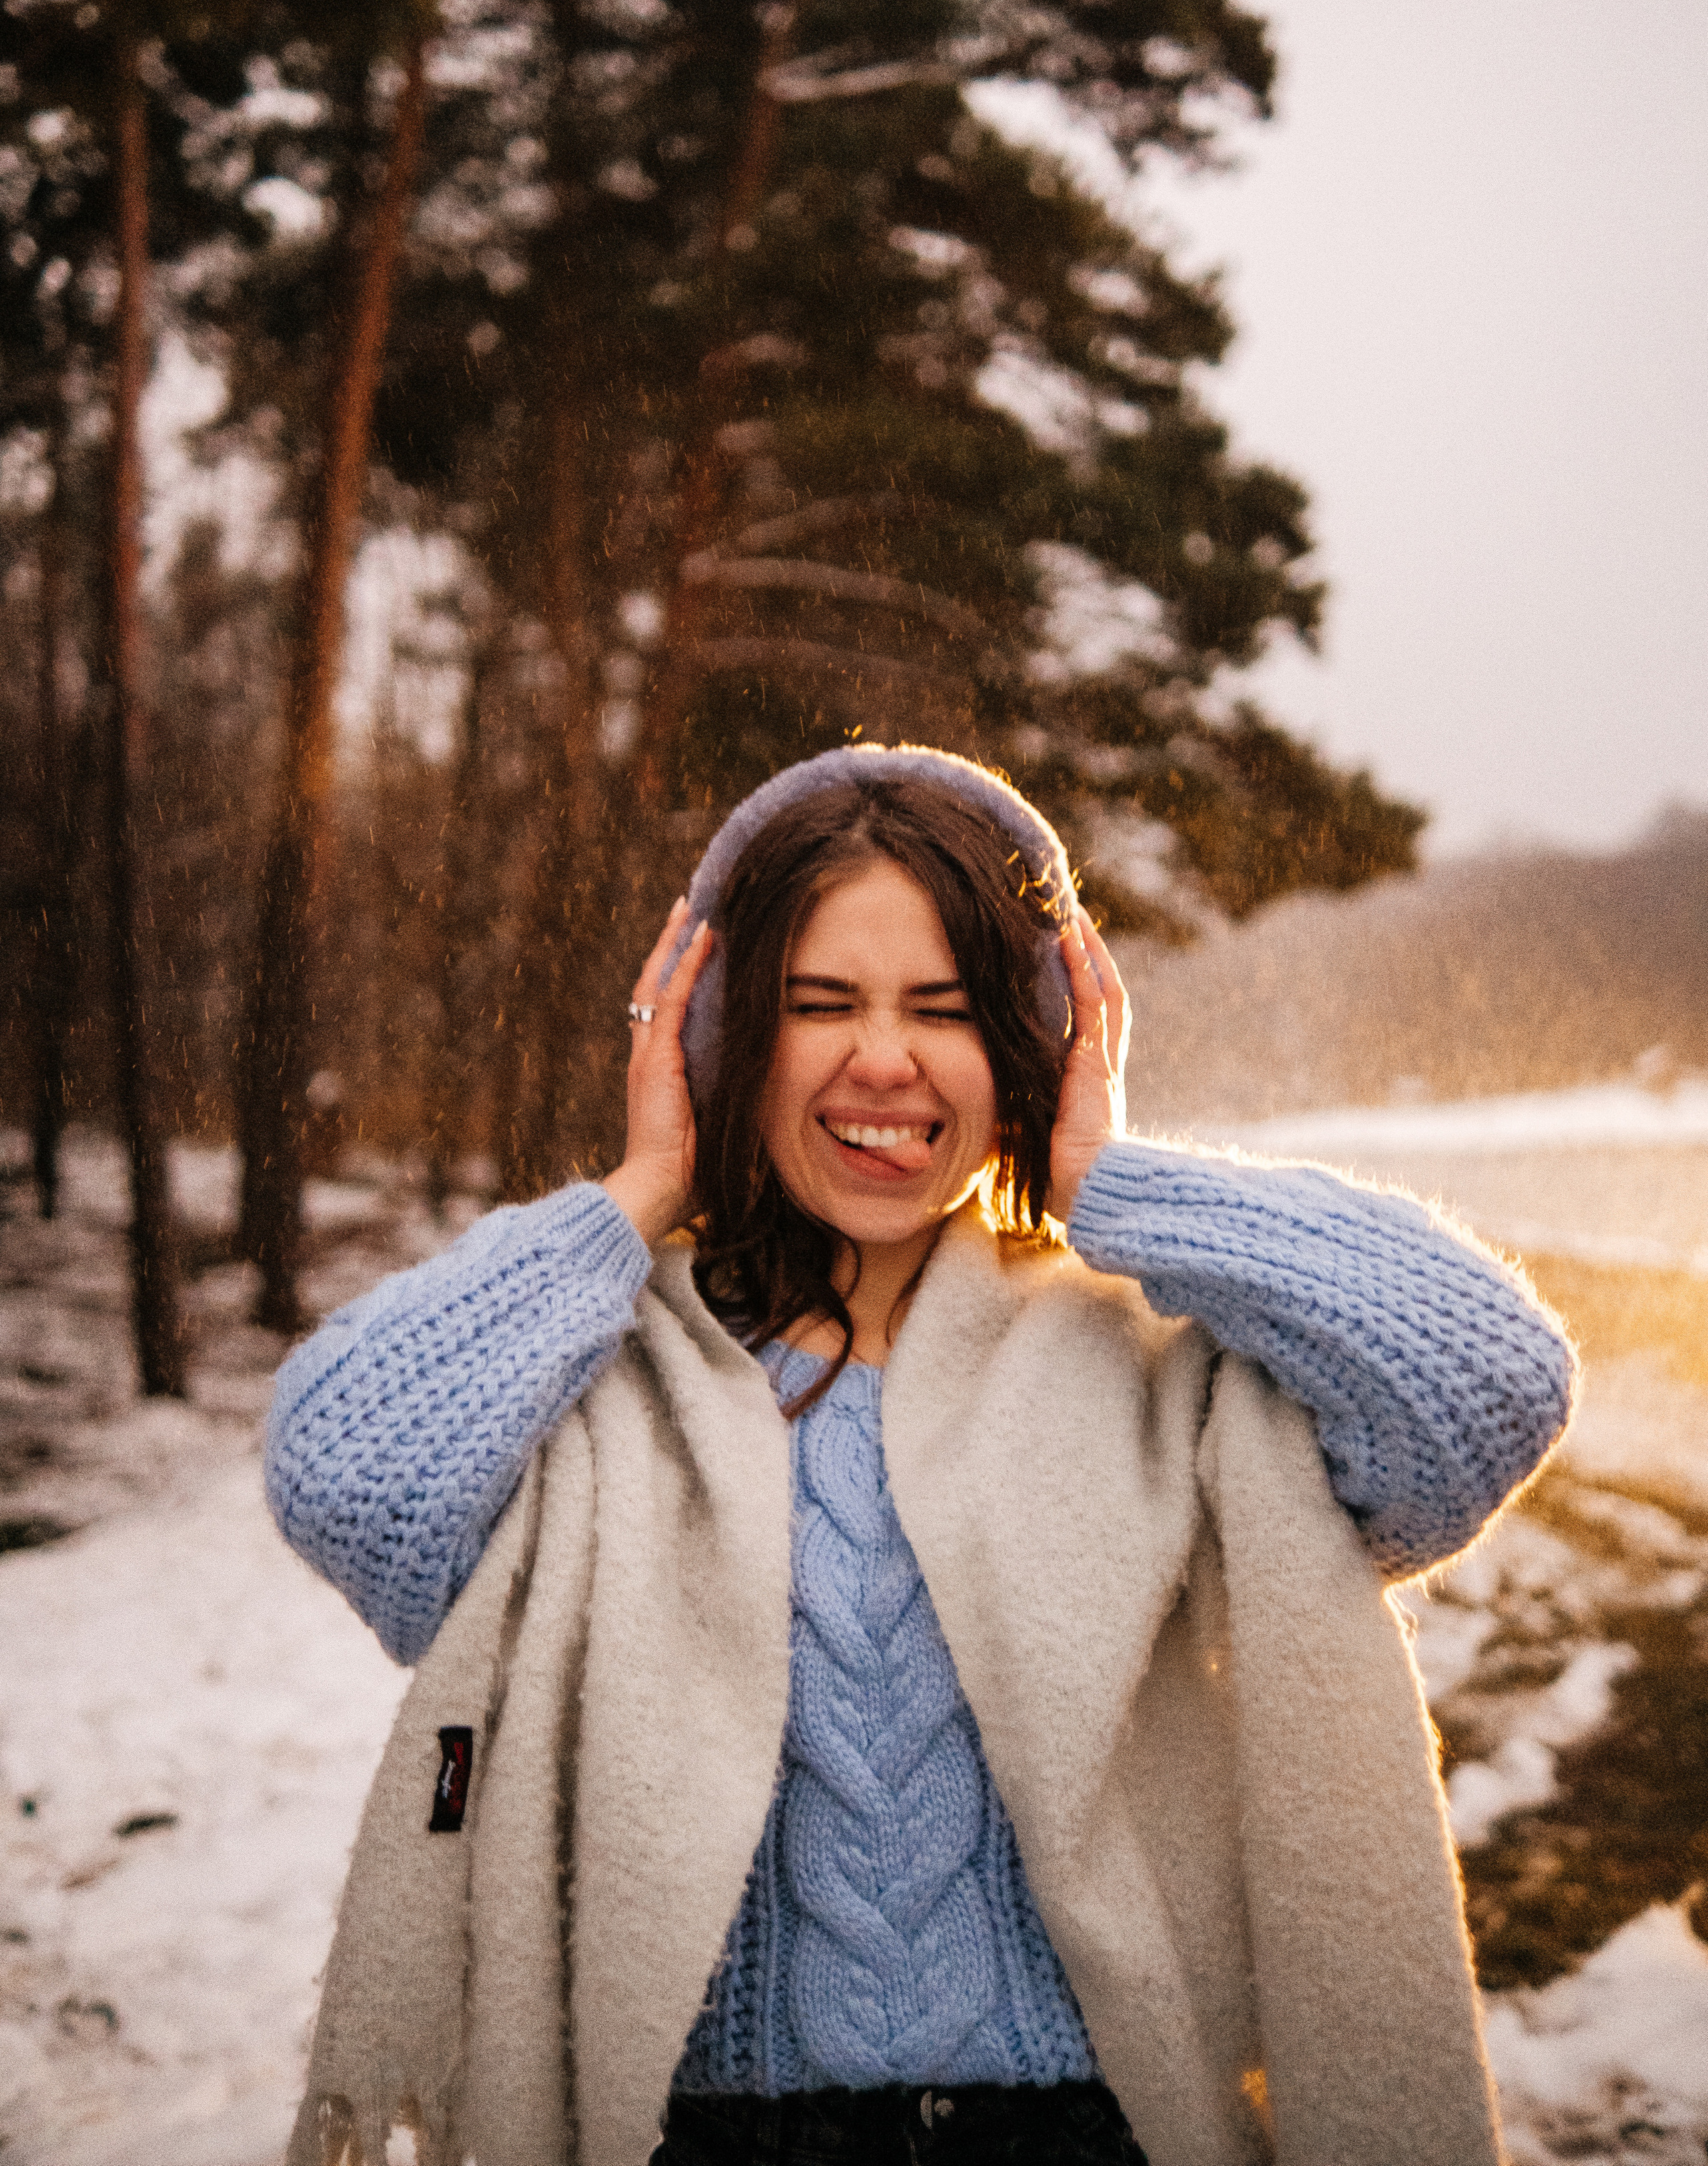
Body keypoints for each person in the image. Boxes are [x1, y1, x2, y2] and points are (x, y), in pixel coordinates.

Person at [267, 743, 1576, 2166]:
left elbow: (1484, 1384)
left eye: (941, 1012)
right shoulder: (606, 1388)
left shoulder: (1150, 1369)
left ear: (1023, 1045)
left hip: (1090, 2136)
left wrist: (1108, 1184)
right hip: (709, 2141)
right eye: (814, 1003)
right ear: (722, 1035)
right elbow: (349, 1471)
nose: (880, 1059)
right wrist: (639, 1191)